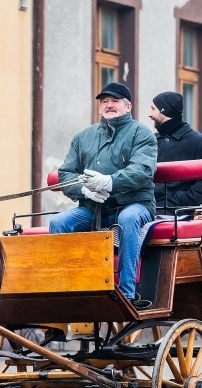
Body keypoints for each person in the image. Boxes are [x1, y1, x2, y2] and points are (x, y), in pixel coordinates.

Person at [49, 82, 157, 309]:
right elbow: (66, 173)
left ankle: (128, 294)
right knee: (58, 222)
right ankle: (68, 291)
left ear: (128, 107)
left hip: (135, 204)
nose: (109, 105)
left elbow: (142, 170)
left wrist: (111, 182)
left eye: (115, 101)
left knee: (128, 219)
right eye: (104, 102)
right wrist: (83, 190)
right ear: (99, 108)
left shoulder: (142, 134)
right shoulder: (83, 137)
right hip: (93, 208)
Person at [148, 91, 202, 216]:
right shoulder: (150, 140)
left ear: (164, 111)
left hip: (176, 214)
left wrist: (176, 200)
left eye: (153, 109)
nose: (150, 114)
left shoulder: (199, 142)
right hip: (145, 209)